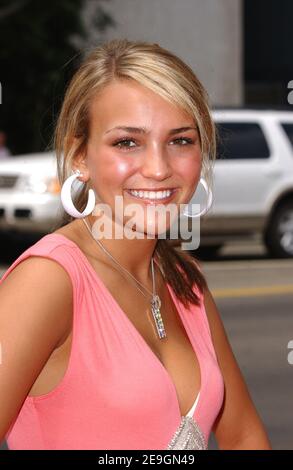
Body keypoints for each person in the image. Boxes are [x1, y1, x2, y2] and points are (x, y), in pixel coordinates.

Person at [0, 39, 271, 450]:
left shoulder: (185, 279)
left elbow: (245, 436)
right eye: (127, 142)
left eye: (181, 140)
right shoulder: (48, 280)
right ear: (80, 156)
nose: (159, 169)